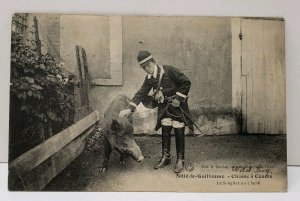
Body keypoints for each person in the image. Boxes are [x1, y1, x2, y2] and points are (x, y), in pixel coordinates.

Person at [119, 50, 193, 173]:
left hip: (177, 106)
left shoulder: (169, 70)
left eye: (148, 65)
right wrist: (129, 108)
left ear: (154, 61)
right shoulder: (149, 79)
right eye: (144, 67)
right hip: (164, 107)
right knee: (165, 128)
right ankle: (166, 157)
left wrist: (178, 98)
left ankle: (180, 159)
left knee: (178, 128)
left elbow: (186, 82)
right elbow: (141, 93)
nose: (147, 69)